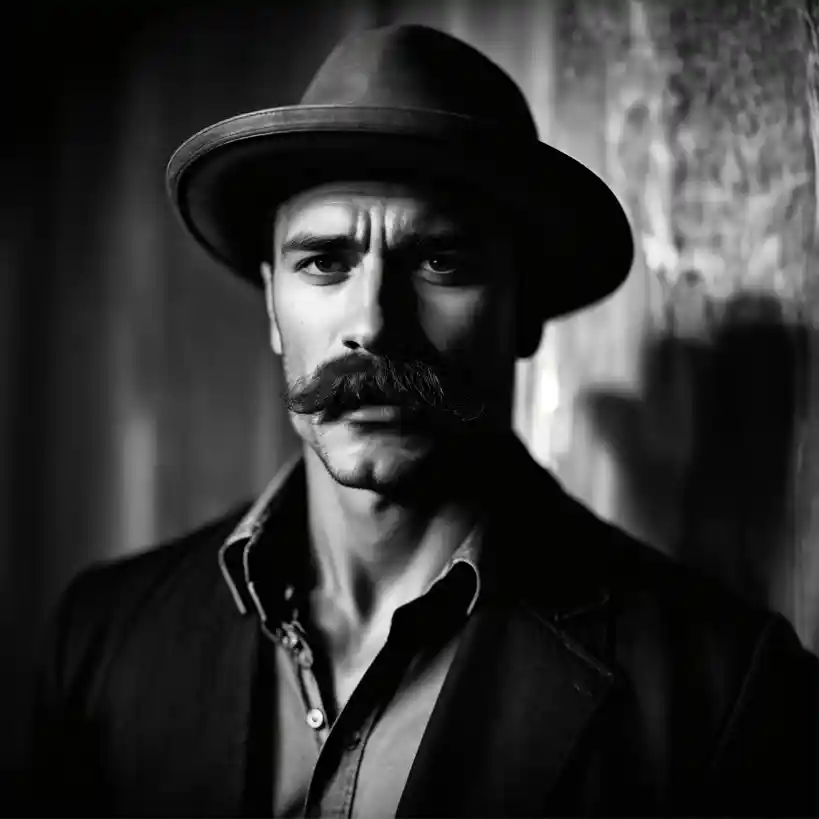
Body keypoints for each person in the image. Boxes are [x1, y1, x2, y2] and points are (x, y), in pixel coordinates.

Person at [25, 22, 818, 818]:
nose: (373, 323)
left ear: (525, 308)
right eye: (324, 261)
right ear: (271, 302)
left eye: (440, 260)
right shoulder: (101, 642)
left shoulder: (722, 695)